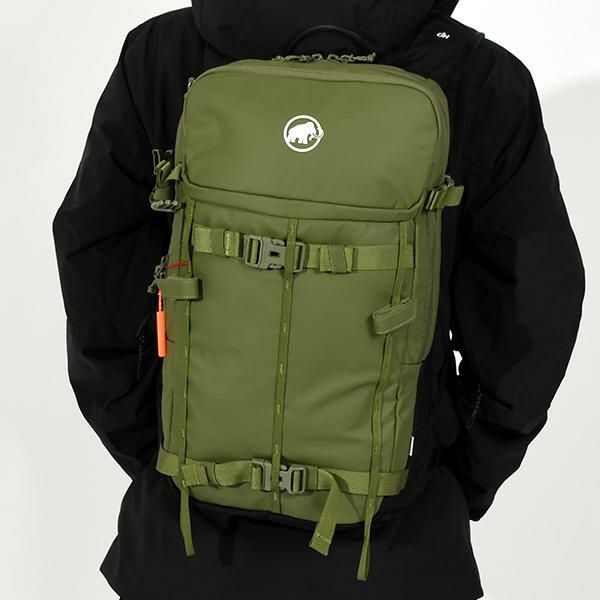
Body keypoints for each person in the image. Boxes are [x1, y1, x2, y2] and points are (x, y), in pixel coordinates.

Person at [52, 1, 585, 599]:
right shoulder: (479, 74)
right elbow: (533, 307)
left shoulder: (162, 54)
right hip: (398, 556)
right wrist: (452, 474)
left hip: (181, 546)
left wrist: (158, 446)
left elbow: (94, 262)